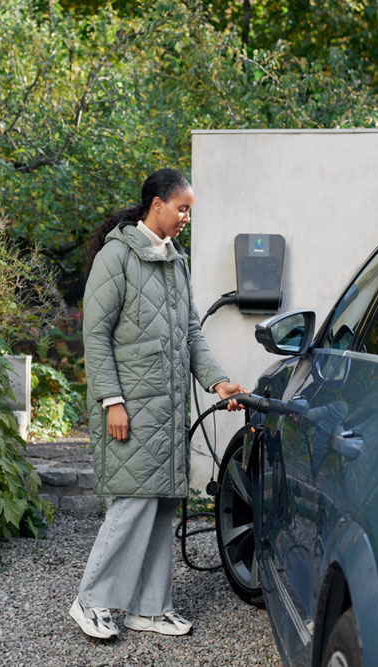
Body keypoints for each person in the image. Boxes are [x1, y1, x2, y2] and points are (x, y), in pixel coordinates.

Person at [70, 168, 246, 639]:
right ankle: (91, 601)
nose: (186, 217)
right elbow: (96, 336)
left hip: (167, 412)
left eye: (190, 210)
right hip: (130, 408)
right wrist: (112, 401)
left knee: (162, 506)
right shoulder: (117, 257)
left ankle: (148, 608)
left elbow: (191, 333)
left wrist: (218, 382)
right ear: (156, 205)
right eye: (181, 208)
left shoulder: (175, 262)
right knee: (132, 504)